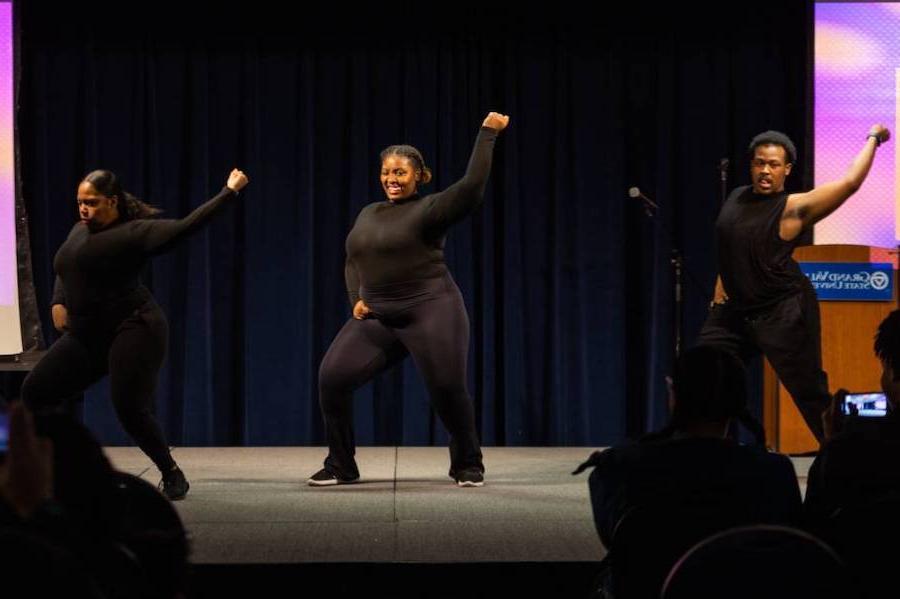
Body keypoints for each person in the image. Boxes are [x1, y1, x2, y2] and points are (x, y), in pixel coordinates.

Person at [308, 112, 510, 487]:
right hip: (379, 317)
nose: (392, 179)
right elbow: (353, 258)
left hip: (431, 309)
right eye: (387, 172)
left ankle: (468, 462)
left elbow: (472, 187)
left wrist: (488, 133)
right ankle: (341, 465)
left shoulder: (430, 209)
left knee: (447, 389)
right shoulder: (369, 212)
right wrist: (356, 298)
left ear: (419, 176)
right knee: (332, 379)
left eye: (401, 173)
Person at [22, 168, 249, 500]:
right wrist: (58, 300)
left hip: (134, 327)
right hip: (88, 334)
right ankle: (59, 468)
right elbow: (67, 266)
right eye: (80, 202)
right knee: (35, 392)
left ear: (112, 202)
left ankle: (171, 472)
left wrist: (229, 192)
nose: (83, 209)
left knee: (129, 406)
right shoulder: (79, 229)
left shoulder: (135, 233)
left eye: (92, 202)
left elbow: (186, 227)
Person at [698, 125, 891, 441]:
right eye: (759, 162)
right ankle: (709, 454)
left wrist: (873, 138)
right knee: (705, 376)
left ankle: (842, 462)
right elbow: (732, 241)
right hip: (734, 314)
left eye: (773, 165)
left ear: (786, 169)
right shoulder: (736, 197)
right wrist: (725, 277)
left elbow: (850, 182)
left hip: (783, 313)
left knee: (811, 396)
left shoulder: (794, 208)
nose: (765, 170)